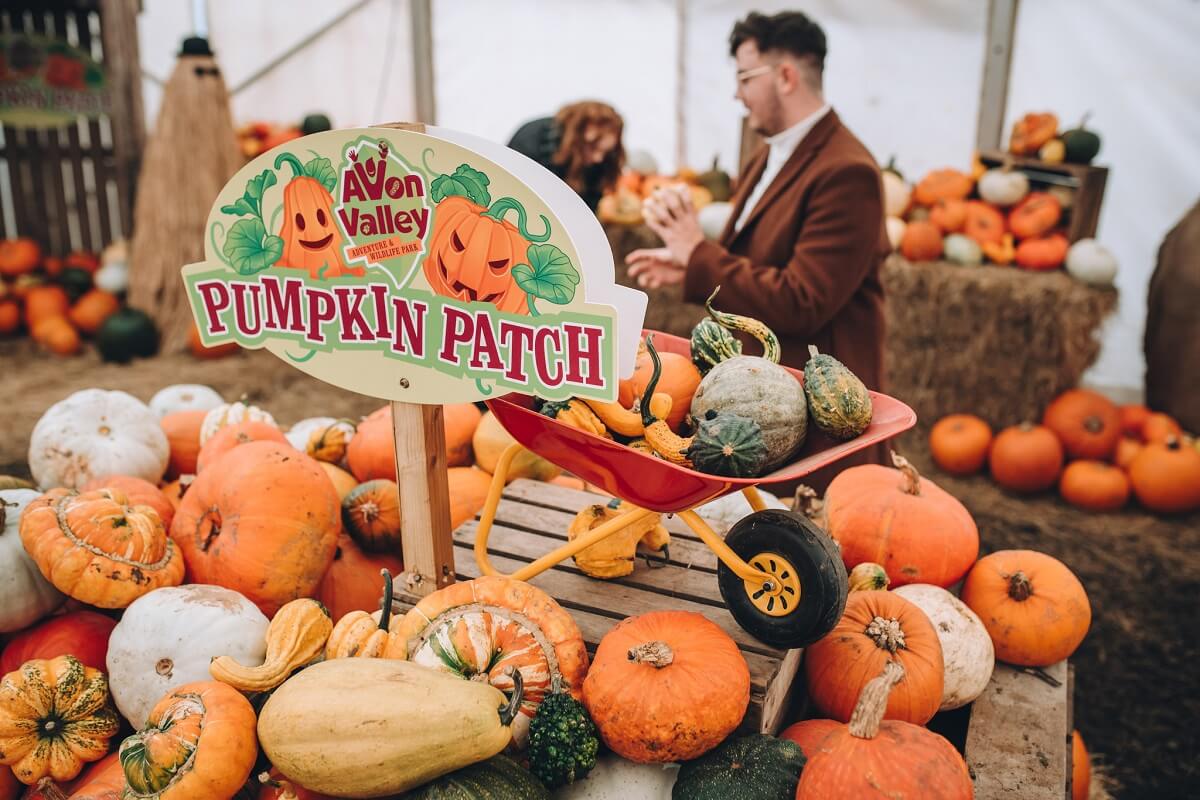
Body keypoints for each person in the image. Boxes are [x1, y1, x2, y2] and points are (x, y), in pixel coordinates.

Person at [627, 10, 889, 489]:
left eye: (745, 77)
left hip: (814, 425)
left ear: (785, 76)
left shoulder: (848, 171)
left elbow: (802, 300)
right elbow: (761, 259)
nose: (736, 93)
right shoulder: (770, 151)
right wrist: (690, 266)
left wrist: (698, 252)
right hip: (762, 406)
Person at [507, 101, 625, 213]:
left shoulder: (598, 168)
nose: (598, 158)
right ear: (576, 135)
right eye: (593, 147)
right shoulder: (531, 138)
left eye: (606, 152)